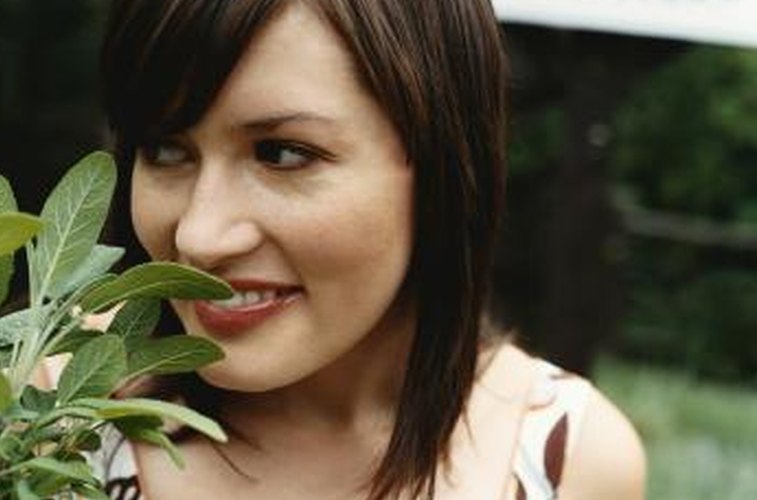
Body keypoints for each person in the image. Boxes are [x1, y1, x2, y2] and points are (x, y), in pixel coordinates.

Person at [74, 1, 647, 498]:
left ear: (443, 168)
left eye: (281, 154)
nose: (198, 236)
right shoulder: (55, 409)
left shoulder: (569, 459)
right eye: (166, 151)